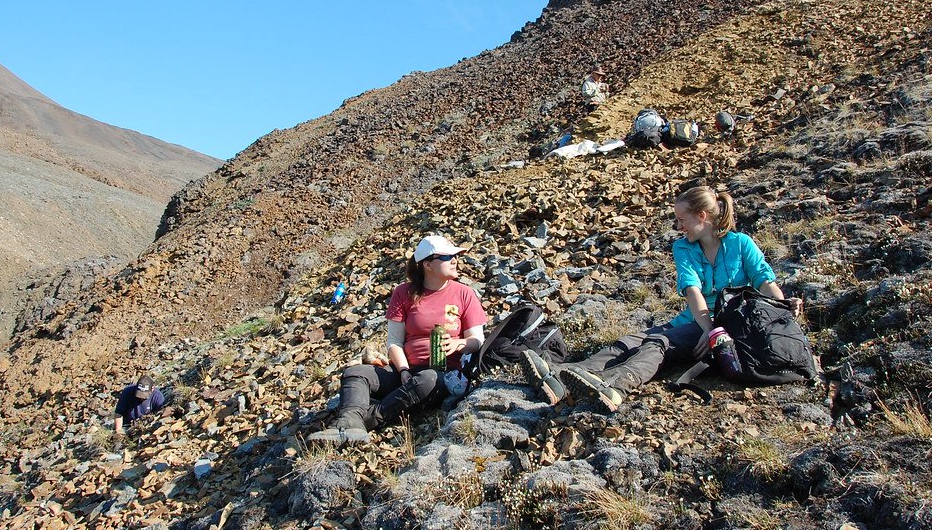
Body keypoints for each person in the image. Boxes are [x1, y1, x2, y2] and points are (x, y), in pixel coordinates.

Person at [523, 185, 802, 412]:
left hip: (730, 327)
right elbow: (692, 290)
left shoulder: (741, 243)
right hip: (699, 322)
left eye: (683, 220)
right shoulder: (683, 248)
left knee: (659, 343)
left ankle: (613, 387)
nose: (679, 226)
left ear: (702, 216)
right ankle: (560, 375)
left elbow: (765, 282)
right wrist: (709, 328)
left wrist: (781, 312)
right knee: (631, 341)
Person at [309, 235, 488, 445]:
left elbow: (477, 340)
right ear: (427, 264)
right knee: (356, 373)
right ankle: (349, 422)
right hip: (405, 370)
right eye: (448, 256)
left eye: (455, 255)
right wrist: (402, 370)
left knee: (428, 379)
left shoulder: (464, 294)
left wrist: (459, 344)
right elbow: (394, 341)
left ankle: (365, 420)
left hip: (443, 373)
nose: (455, 260)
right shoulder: (403, 293)